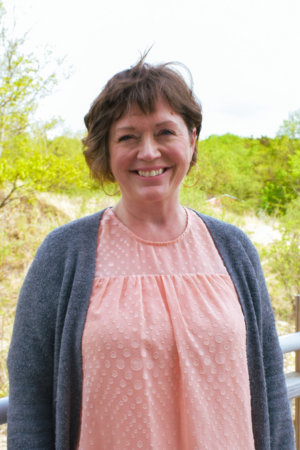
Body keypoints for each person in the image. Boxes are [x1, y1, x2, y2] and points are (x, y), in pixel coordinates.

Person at [7, 54, 295, 450]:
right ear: (105, 151)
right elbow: (31, 393)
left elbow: (270, 383)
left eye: (165, 132)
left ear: (191, 140)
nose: (148, 152)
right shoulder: (64, 253)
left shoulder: (234, 248)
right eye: (128, 137)